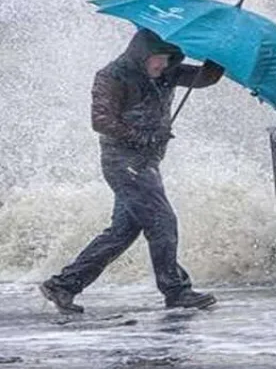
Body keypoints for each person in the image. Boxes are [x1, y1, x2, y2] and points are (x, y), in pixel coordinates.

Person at [40, 29, 224, 314]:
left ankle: (63, 285)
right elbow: (100, 120)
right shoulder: (112, 76)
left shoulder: (168, 72)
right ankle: (176, 291)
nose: (163, 65)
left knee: (122, 232)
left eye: (168, 59)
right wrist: (140, 136)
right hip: (122, 162)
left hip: (147, 162)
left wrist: (219, 54)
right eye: (158, 59)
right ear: (142, 55)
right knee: (163, 222)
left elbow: (205, 78)